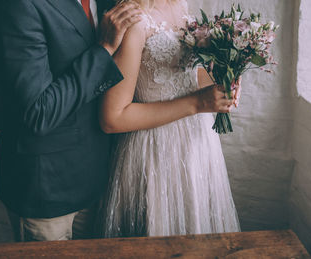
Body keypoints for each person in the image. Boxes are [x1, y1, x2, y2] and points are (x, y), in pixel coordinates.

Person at [0, 0, 143, 241]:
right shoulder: (20, 6)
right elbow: (39, 111)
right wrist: (103, 49)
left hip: (98, 181)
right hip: (45, 189)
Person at [100, 0, 241, 237]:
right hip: (155, 154)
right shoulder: (133, 19)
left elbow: (188, 77)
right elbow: (113, 117)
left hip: (198, 149)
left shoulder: (181, 5)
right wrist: (198, 103)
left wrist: (226, 84)